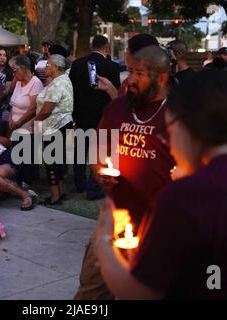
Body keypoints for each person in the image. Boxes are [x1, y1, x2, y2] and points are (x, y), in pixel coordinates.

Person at [95, 69, 227, 299]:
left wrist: (104, 237)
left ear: (188, 123)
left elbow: (138, 292)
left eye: (167, 131)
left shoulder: (192, 194)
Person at [74, 46, 175, 300]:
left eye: (139, 73)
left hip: (159, 226)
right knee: (91, 291)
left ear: (161, 77)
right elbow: (98, 149)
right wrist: (100, 170)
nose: (130, 79)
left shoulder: (179, 113)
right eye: (129, 71)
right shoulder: (117, 108)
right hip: (115, 219)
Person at [70, 35, 120, 199]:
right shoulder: (112, 66)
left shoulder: (77, 64)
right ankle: (93, 188)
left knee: (80, 150)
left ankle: (79, 182)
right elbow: (116, 93)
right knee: (98, 153)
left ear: (92, 46)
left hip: (81, 114)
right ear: (106, 48)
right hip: (102, 116)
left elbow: (72, 92)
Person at [33, 54, 74, 205]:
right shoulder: (62, 79)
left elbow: (47, 109)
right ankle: (59, 192)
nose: (46, 67)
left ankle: (55, 196)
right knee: (57, 161)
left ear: (56, 67)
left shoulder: (58, 83)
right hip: (62, 125)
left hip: (55, 127)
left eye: (48, 64)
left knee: (51, 162)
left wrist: (35, 121)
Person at [9, 55, 44, 186]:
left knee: (27, 158)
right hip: (16, 127)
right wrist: (11, 117)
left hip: (28, 127)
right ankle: (19, 180)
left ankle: (28, 182)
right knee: (18, 157)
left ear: (24, 68)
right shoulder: (18, 82)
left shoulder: (35, 83)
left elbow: (33, 109)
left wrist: (19, 122)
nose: (13, 73)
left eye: (14, 70)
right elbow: (13, 102)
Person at [0, 46, 15, 135]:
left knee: (4, 130)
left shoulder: (9, 71)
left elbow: (8, 90)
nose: (2, 57)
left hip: (4, 105)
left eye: (4, 55)